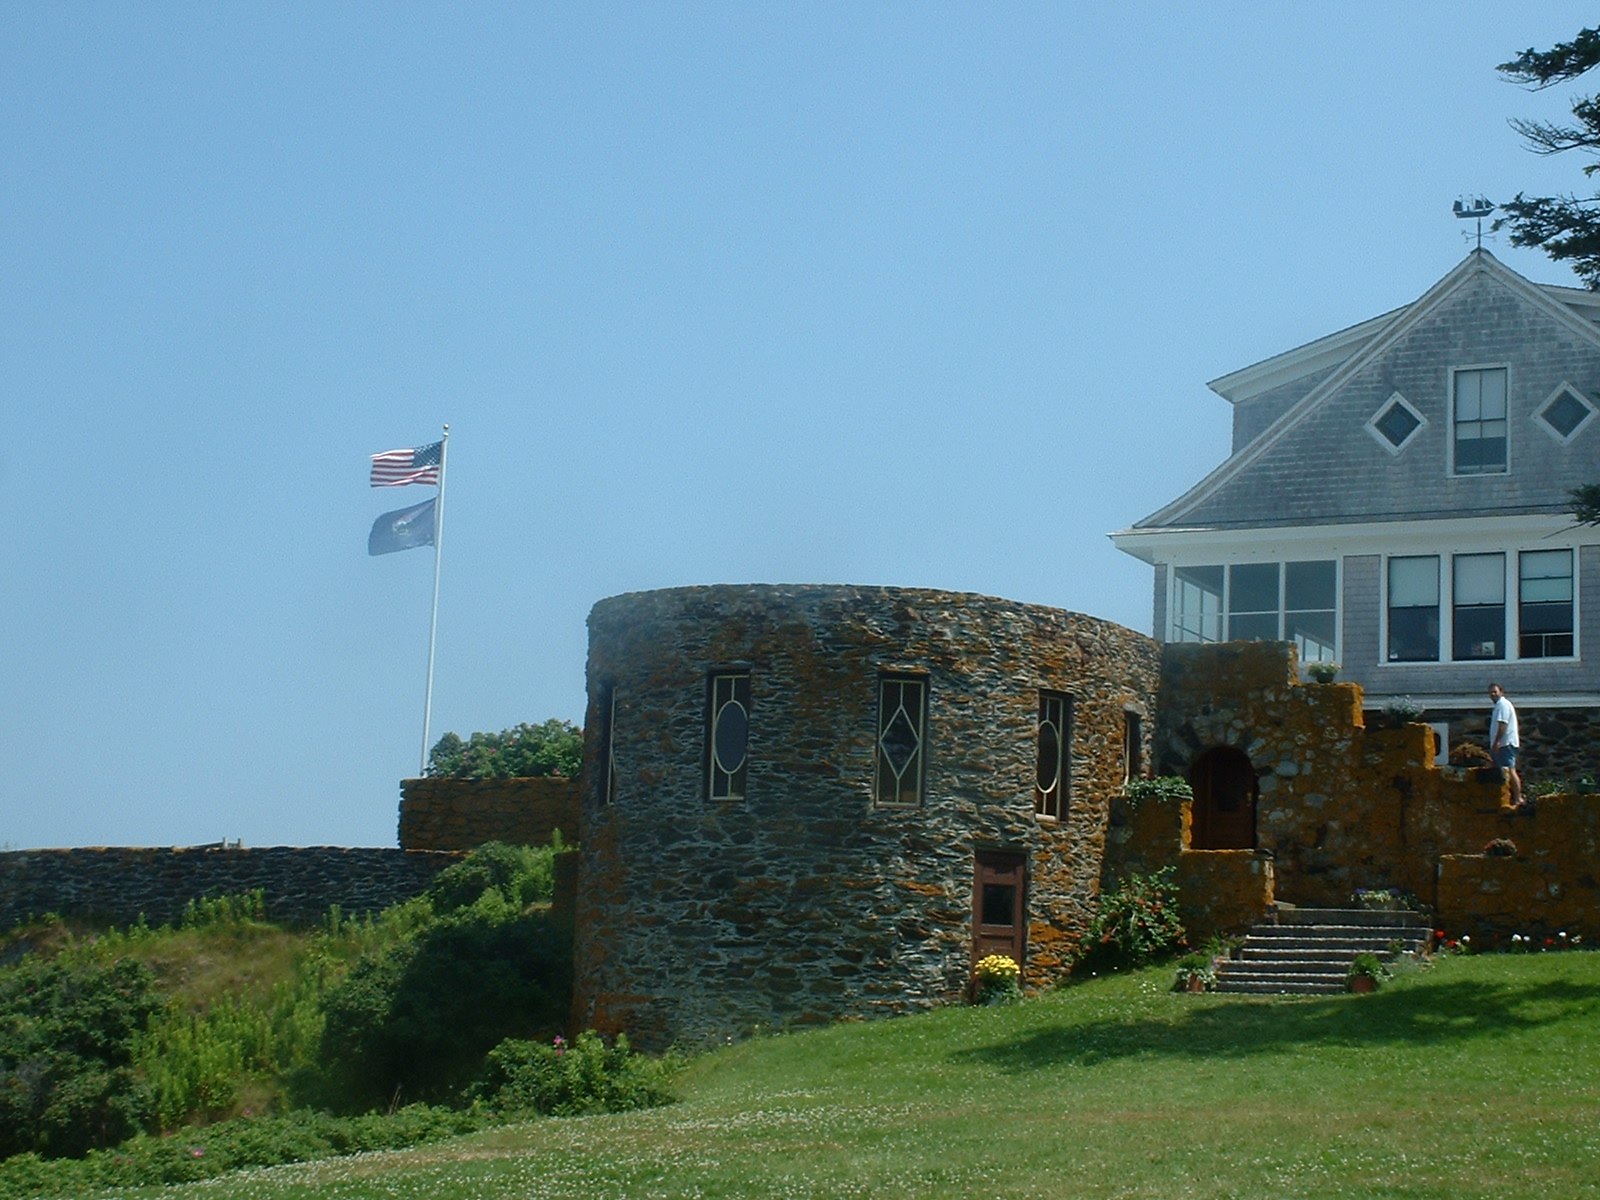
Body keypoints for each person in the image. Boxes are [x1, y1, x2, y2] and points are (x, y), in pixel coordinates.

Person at [1487, 682, 1523, 808]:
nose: (1492, 694)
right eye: (1490, 692)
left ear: (1501, 692)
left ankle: (1518, 798)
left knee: (1510, 770)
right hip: (1500, 744)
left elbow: (1503, 725)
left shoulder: (1503, 705)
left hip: (1505, 744)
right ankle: (1501, 798)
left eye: (1495, 692)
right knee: (1496, 770)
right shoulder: (1499, 706)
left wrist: (1497, 742)